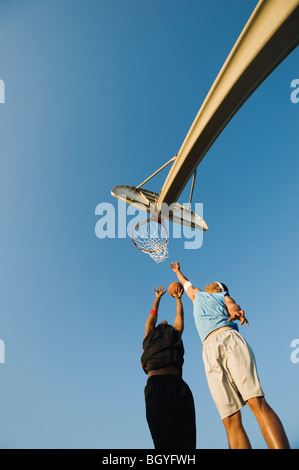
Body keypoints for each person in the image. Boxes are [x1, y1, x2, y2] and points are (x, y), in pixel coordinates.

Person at [169, 261, 290, 449]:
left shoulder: (222, 296)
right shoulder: (197, 295)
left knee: (255, 401)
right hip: (208, 349)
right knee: (229, 418)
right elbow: (186, 283)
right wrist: (178, 271)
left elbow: (232, 305)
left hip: (227, 337)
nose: (209, 283)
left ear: (219, 288)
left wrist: (236, 313)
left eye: (214, 283)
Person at [141, 285, 196, 449]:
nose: (164, 321)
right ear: (157, 326)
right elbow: (152, 314)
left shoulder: (175, 334)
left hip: (178, 386)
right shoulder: (149, 334)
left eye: (167, 322)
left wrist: (178, 299)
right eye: (161, 321)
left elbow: (180, 315)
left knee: (186, 444)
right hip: (156, 387)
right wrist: (158, 297)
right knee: (163, 443)